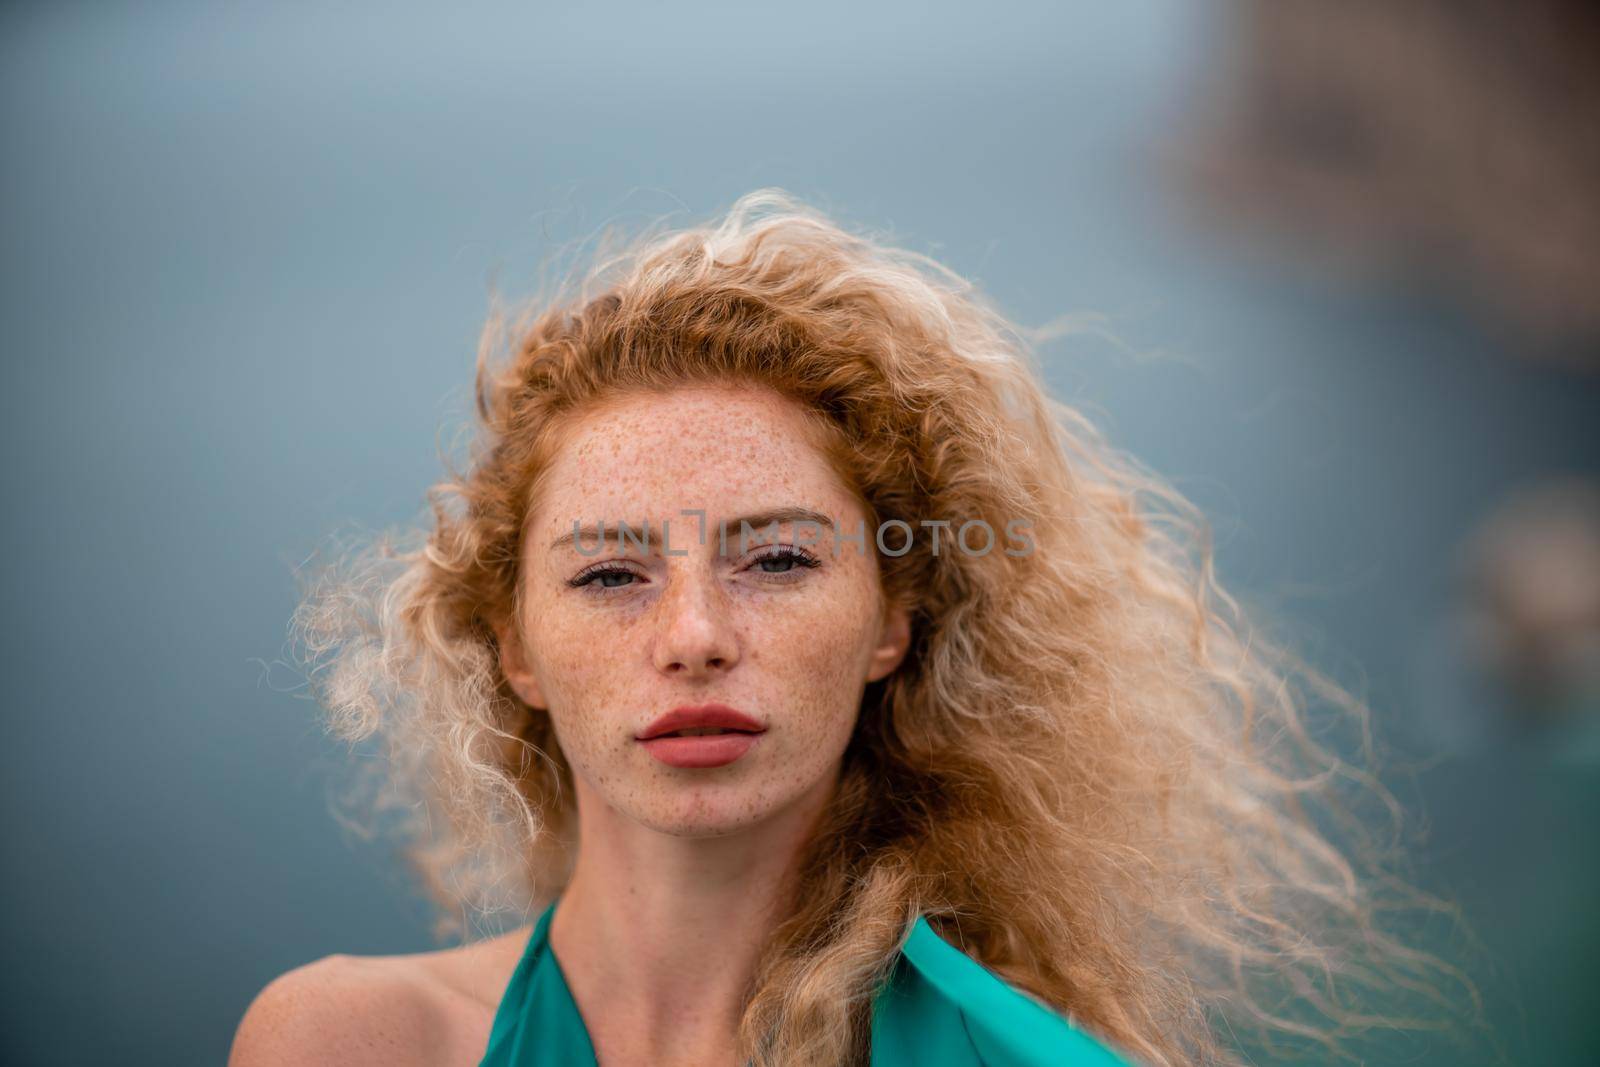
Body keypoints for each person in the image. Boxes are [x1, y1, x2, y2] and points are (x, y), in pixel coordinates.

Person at [229, 190, 1476, 1066]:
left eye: (775, 558)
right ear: (512, 646)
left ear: (894, 618)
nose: (696, 634)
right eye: (610, 575)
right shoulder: (349, 1043)